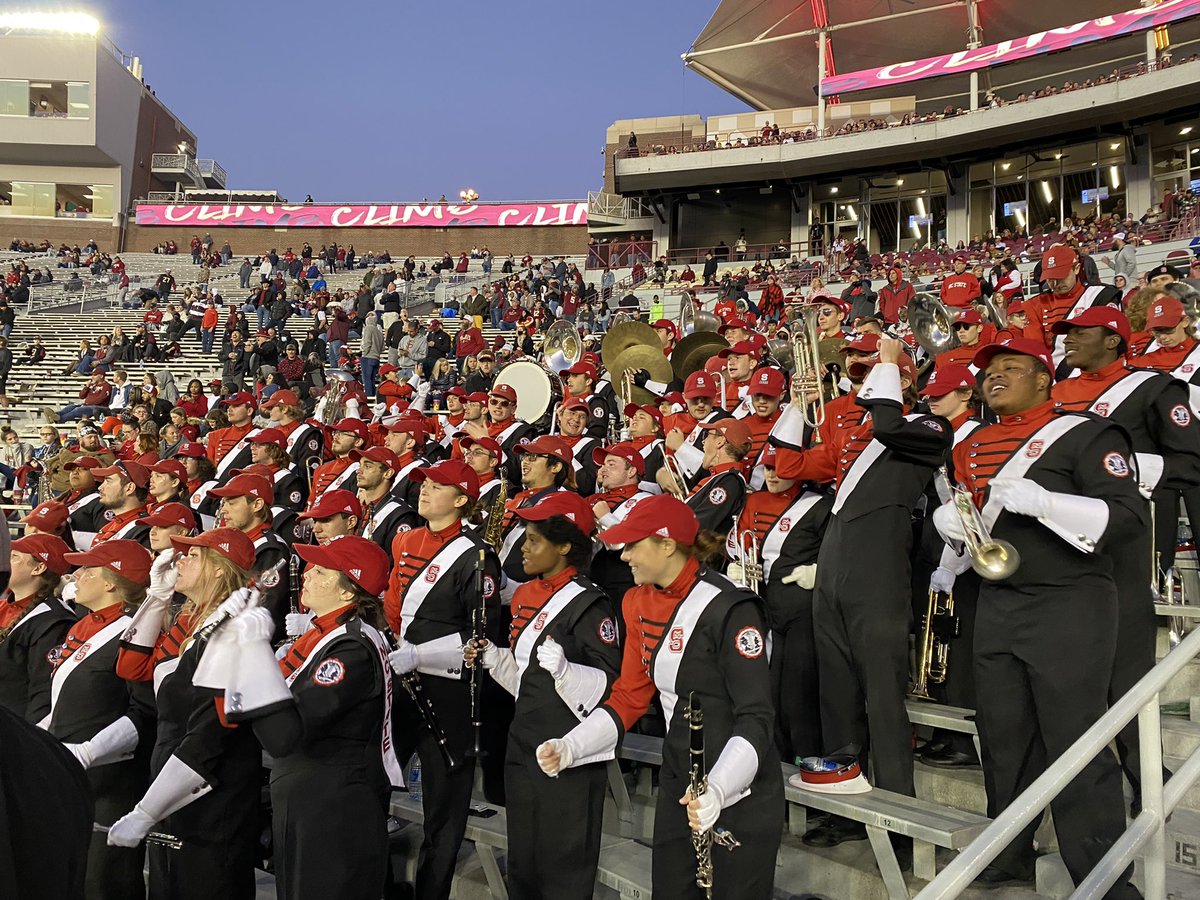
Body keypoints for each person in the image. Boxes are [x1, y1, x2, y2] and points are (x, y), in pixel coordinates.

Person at [933, 338, 1145, 893]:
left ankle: (1103, 877)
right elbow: (972, 516)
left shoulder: (1087, 433)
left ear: (1044, 377)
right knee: (1003, 740)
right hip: (998, 602)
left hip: (1070, 600)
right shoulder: (970, 443)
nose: (994, 377)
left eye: (1010, 367)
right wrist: (953, 538)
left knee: (1076, 740)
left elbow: (1126, 516)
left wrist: (1049, 503)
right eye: (987, 372)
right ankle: (1007, 857)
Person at [538, 494, 783, 900]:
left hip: (739, 781)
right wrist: (572, 746)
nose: (625, 556)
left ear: (667, 544)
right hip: (679, 772)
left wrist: (720, 788)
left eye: (634, 545)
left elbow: (756, 717)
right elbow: (630, 697)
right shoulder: (635, 601)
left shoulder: (730, 607)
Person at [771, 338, 952, 852]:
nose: (861, 381)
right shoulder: (855, 435)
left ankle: (898, 817)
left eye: (872, 373)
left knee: (882, 698)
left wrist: (891, 361)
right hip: (834, 566)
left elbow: (892, 425)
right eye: (860, 374)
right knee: (838, 697)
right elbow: (786, 465)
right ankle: (847, 805)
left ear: (902, 381)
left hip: (878, 569)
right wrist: (795, 405)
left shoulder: (930, 427)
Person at [1050, 307, 1200, 803]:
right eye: (1066, 333)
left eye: (1080, 332)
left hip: (1122, 548)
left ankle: (1145, 784)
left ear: (1114, 340)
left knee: (1126, 673)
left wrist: (1128, 467)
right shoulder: (1054, 391)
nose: (1068, 340)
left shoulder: (1153, 388)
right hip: (1057, 548)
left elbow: (1191, 459)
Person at [213, 536, 400, 900]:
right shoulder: (323, 635)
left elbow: (288, 726)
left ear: (348, 593)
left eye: (322, 570)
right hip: (306, 797)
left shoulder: (351, 649)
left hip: (332, 805)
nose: (309, 574)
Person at [465, 492, 619, 900]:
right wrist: (494, 659)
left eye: (534, 540)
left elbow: (610, 684)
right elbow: (527, 680)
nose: (523, 548)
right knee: (525, 857)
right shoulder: (525, 594)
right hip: (524, 736)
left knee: (564, 863)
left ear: (565, 546)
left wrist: (570, 673)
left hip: (569, 745)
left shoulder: (590, 603)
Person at [384, 460, 501, 900]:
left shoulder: (476, 555)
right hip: (403, 681)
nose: (425, 492)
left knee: (444, 807)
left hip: (450, 689)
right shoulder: (407, 540)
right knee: (374, 780)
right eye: (424, 485)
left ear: (461, 500)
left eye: (438, 487)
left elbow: (481, 635)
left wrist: (420, 655)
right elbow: (395, 603)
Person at [47, 540, 156, 900]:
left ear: (111, 582)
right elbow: (67, 702)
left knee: (103, 884)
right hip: (70, 775)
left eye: (87, 570)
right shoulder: (82, 626)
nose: (76, 576)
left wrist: (90, 752)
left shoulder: (135, 633)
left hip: (112, 782)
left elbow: (143, 713)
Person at [727, 445, 831, 762]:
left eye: (781, 469)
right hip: (763, 602)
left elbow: (837, 549)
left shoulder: (819, 505)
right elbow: (739, 540)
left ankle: (808, 757)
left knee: (797, 692)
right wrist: (738, 564)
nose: (772, 475)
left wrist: (820, 572)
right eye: (768, 469)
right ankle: (777, 758)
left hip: (800, 606)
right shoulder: (753, 500)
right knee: (769, 690)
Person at [0, 533, 75, 722]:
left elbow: (42, 691)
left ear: (39, 568)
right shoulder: (5, 605)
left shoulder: (54, 621)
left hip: (13, 728)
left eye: (14, 556)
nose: (6, 561)